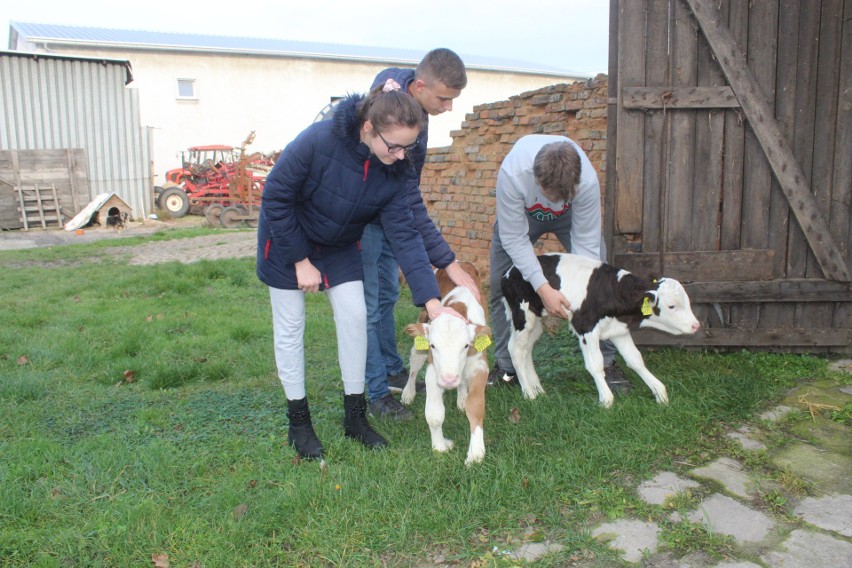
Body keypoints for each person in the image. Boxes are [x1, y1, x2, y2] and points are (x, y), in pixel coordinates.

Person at [256, 84, 464, 461]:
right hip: (286, 241)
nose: (401, 155)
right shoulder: (318, 141)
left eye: (409, 148)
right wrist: (300, 260)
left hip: (338, 245)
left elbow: (405, 234)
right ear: (368, 128)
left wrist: (433, 303)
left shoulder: (397, 169)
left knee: (355, 317)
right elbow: (275, 195)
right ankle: (299, 423)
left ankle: (355, 417)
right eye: (394, 146)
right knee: (290, 327)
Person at [361, 48, 479, 420]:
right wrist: (444, 261)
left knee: (388, 295)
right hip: (363, 219)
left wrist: (446, 261)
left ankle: (392, 367)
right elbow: (404, 192)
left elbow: (408, 193)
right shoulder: (386, 105)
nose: (447, 108)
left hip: (391, 214)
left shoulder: (417, 112)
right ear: (420, 85)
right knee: (368, 304)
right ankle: (376, 390)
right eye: (443, 98)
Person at [487, 134, 632, 394]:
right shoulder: (513, 173)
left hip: (570, 217)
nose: (554, 203)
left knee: (602, 283)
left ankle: (607, 362)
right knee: (501, 285)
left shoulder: (586, 181)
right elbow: (514, 238)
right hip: (522, 217)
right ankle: (507, 367)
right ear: (536, 178)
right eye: (550, 195)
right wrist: (544, 289)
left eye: (562, 197)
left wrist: (581, 297)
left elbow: (587, 255)